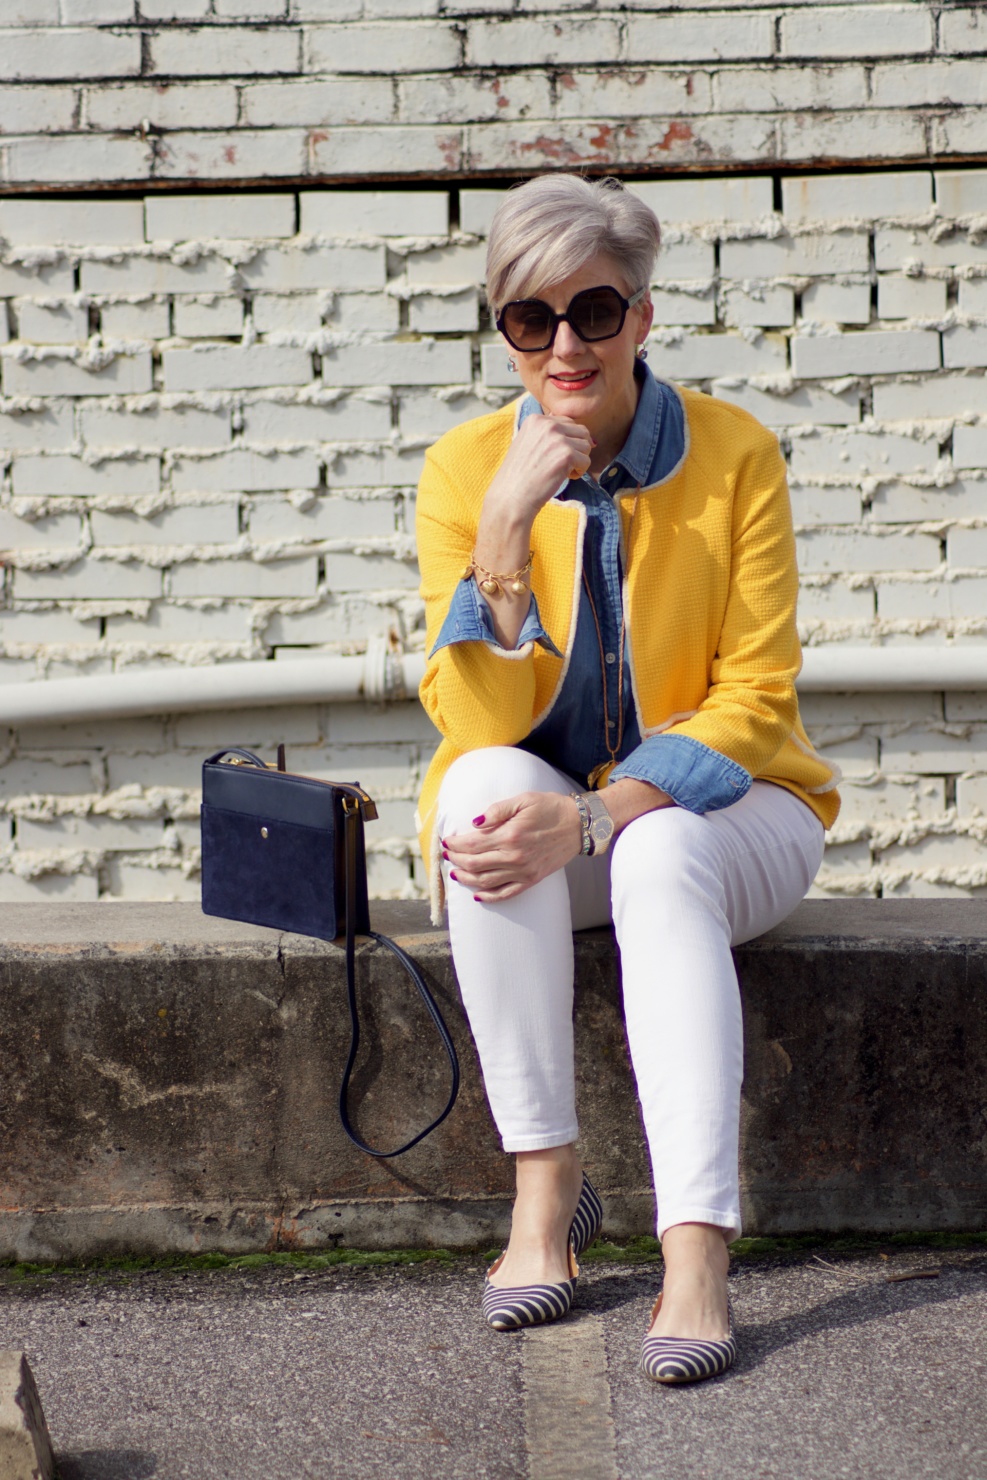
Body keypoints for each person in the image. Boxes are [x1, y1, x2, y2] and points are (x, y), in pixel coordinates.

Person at [413, 173, 840, 1385]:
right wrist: (503, 541)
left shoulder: (735, 453)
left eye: (594, 311)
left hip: (732, 818)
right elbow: (476, 720)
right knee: (481, 799)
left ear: (642, 317)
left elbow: (754, 703)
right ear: (502, 327)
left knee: (653, 848)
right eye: (529, 319)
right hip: (555, 838)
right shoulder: (461, 470)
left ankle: (695, 1250)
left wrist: (598, 811)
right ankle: (546, 1193)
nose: (564, 345)